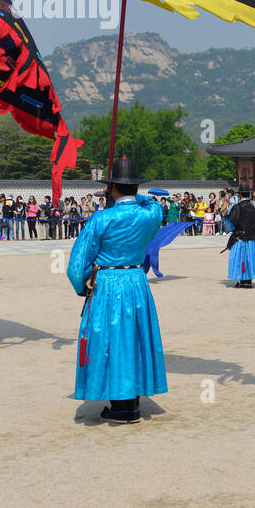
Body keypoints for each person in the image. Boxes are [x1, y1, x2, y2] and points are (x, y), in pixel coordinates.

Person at [67, 155, 168, 423]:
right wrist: (133, 195)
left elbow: (77, 265)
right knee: (134, 338)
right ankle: (132, 403)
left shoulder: (101, 219)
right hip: (136, 280)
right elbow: (154, 205)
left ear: (110, 186)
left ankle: (120, 405)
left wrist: (83, 287)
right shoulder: (150, 215)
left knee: (109, 340)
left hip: (108, 284)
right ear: (136, 186)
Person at [223, 186, 255, 288]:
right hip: (252, 238)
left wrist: (226, 222)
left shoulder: (237, 207)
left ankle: (242, 280)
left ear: (240, 194)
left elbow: (231, 224)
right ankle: (248, 280)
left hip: (240, 238)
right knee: (250, 258)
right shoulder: (252, 207)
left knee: (240, 258)